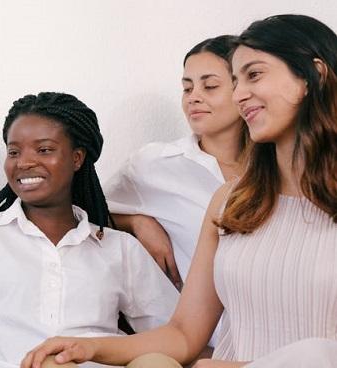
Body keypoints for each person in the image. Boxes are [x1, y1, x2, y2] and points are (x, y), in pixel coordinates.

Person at [22, 14, 337, 368]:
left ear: (314, 76)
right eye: (235, 80)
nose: (240, 93)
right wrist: (88, 348)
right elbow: (184, 334)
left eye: (254, 75)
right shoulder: (231, 202)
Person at [0, 92, 179, 368]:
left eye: (44, 150)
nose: (24, 162)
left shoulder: (119, 248)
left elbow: (177, 336)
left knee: (157, 363)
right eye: (14, 152)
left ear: (77, 158)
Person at [105, 35, 250, 290]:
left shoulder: (281, 166)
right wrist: (137, 222)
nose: (193, 97)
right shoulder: (155, 164)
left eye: (210, 86)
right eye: (187, 88)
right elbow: (83, 209)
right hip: (196, 326)